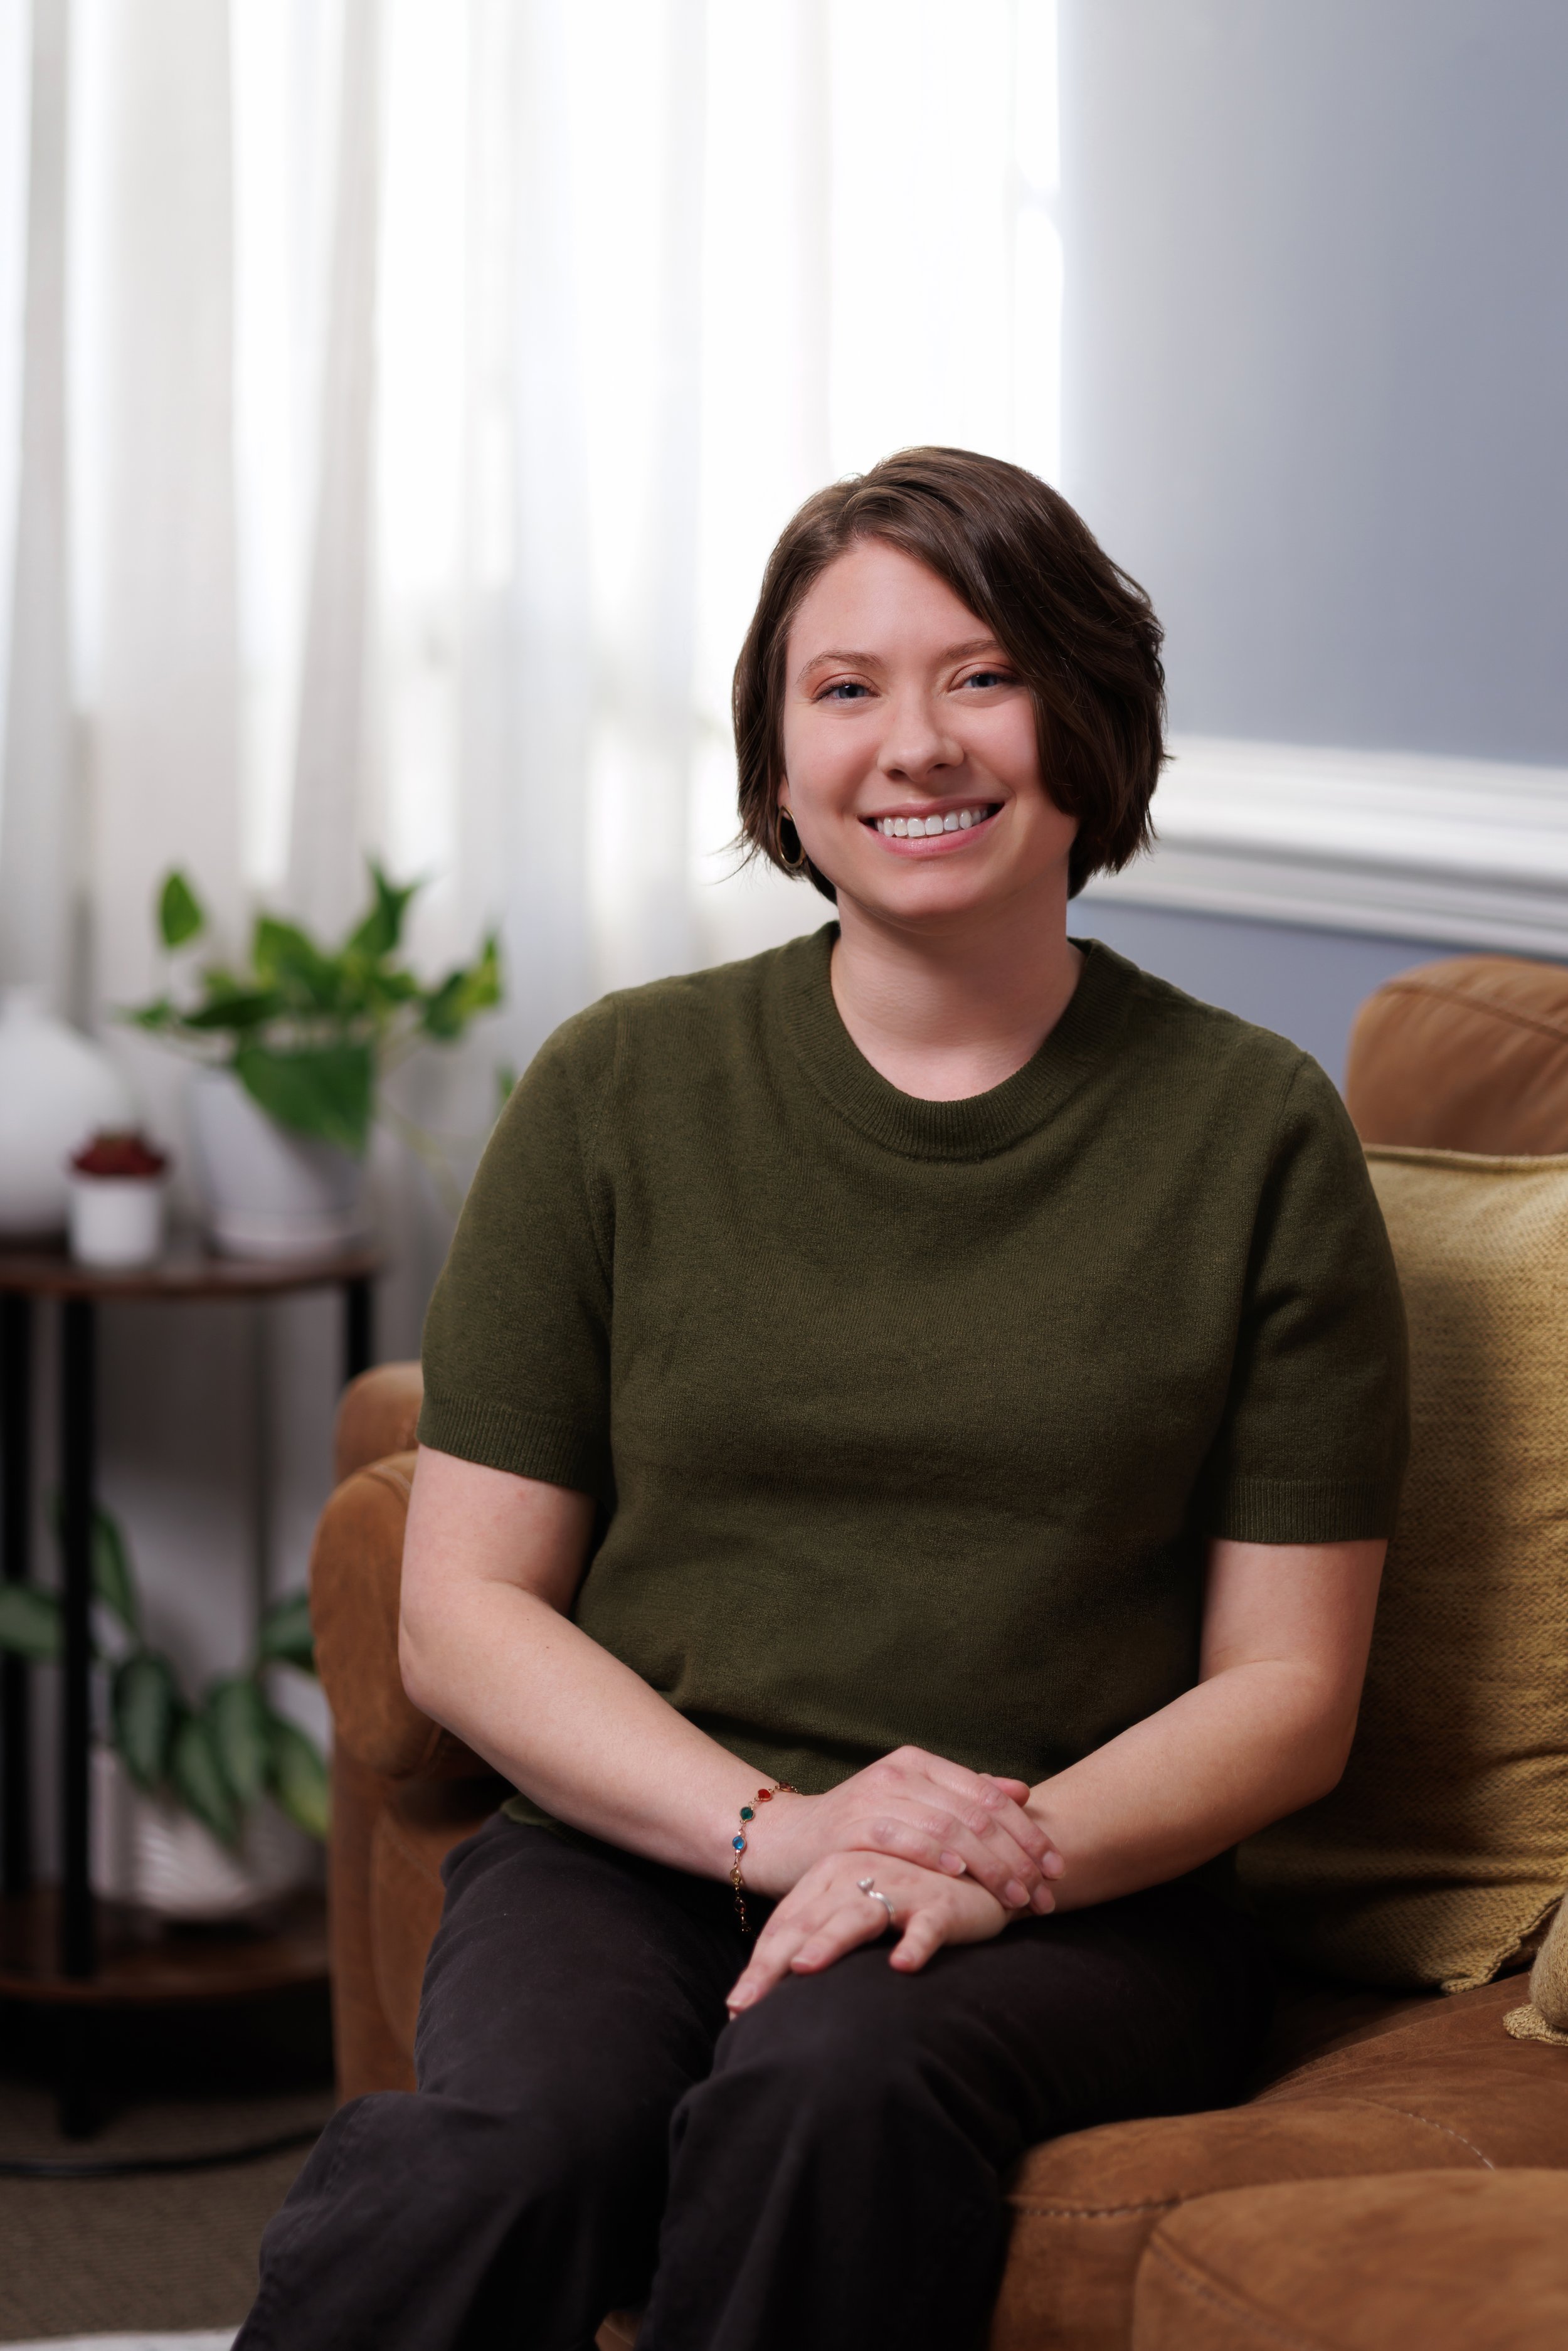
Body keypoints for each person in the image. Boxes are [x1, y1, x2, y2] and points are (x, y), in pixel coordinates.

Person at [239, 447, 1407, 2351]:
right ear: (777, 765)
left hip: (1077, 1890)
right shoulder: (618, 1087)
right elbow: (462, 1609)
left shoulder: (1251, 1126)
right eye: (842, 689)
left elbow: (1287, 1689)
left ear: (1088, 723)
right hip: (645, 1842)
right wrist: (778, 1830)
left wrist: (983, 1862)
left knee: (828, 2086)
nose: (914, 744)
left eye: (981, 673)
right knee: (513, 2142)